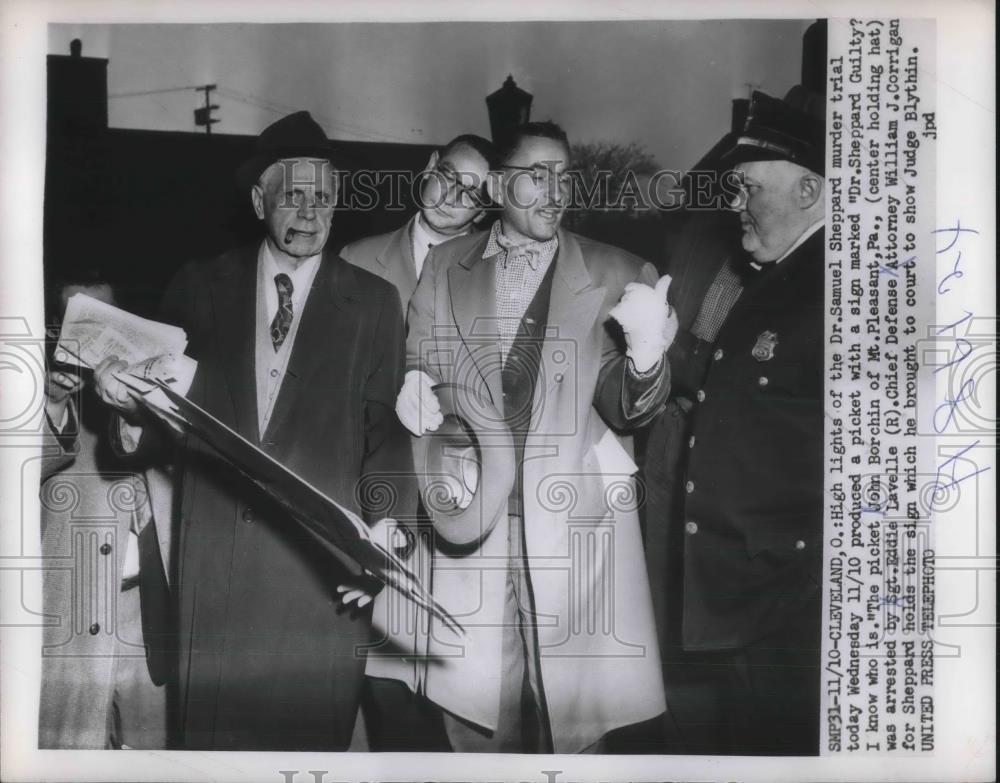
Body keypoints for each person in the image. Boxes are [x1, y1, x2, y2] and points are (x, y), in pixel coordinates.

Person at [93, 111, 415, 751]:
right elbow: (166, 424)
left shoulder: (375, 303)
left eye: (323, 196)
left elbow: (390, 437)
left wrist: (387, 538)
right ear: (257, 200)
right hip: (216, 576)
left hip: (321, 577)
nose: (309, 210)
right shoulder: (198, 285)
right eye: (291, 193)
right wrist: (127, 411)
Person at [367, 121, 678, 753]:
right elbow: (421, 357)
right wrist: (416, 382)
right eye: (537, 176)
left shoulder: (617, 269)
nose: (554, 191)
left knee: (573, 710)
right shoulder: (449, 263)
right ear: (502, 184)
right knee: (475, 706)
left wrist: (647, 357)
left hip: (569, 517)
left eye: (563, 176)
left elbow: (628, 409)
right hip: (469, 516)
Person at [642, 91, 826, 756]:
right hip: (757, 595)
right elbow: (746, 387)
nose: (734, 202)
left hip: (792, 603)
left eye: (749, 187)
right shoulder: (784, 274)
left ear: (809, 189)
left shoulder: (836, 283)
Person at [38, 273, 171, 749]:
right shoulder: (34, 401)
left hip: (149, 617)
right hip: (69, 626)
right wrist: (51, 401)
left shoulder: (158, 398)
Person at [341, 134, 494, 311]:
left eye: (471, 194)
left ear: (483, 212)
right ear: (431, 165)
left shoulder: (496, 272)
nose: (450, 198)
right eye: (449, 177)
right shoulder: (356, 259)